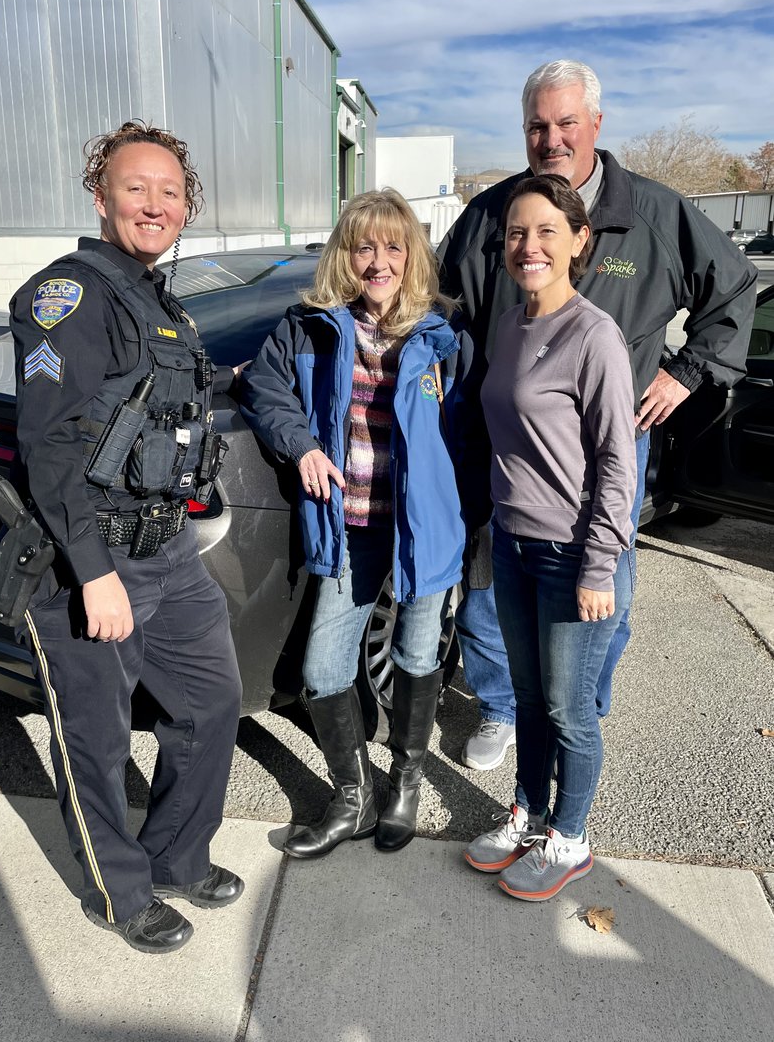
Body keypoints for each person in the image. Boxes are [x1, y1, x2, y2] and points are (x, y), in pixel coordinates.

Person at [439, 59, 758, 772]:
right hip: (510, 442)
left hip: (613, 444)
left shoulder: (653, 215)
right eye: (537, 126)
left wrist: (686, 372)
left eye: (566, 124)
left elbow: (733, 291)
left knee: (603, 577)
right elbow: (437, 306)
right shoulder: (491, 216)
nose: (552, 139)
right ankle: (498, 706)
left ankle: (583, 704)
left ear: (596, 126)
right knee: (493, 584)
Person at [9, 122, 243, 954]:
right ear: (102, 196)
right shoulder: (67, 296)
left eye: (171, 192)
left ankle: (178, 856)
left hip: (168, 550)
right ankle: (119, 892)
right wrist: (94, 573)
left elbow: (160, 400)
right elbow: (50, 444)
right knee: (97, 740)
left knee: (213, 703)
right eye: (136, 187)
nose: (155, 204)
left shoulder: (156, 298)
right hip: (91, 561)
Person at [241, 189, 481, 857]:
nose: (379, 260)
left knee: (413, 654)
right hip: (348, 530)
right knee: (323, 672)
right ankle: (355, 798)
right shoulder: (310, 327)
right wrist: (302, 444)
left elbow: (468, 435)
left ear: (413, 256)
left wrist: (463, 516)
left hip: (424, 530)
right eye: (364, 246)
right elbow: (263, 389)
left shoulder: (444, 336)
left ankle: (405, 782)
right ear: (343, 255)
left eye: (394, 246)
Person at [464, 174, 637, 899]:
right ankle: (530, 815)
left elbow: (617, 465)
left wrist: (599, 568)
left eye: (544, 232)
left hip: (576, 557)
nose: (527, 245)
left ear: (577, 241)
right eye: (515, 233)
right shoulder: (510, 323)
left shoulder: (594, 335)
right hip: (514, 543)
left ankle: (571, 839)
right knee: (529, 699)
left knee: (569, 708)